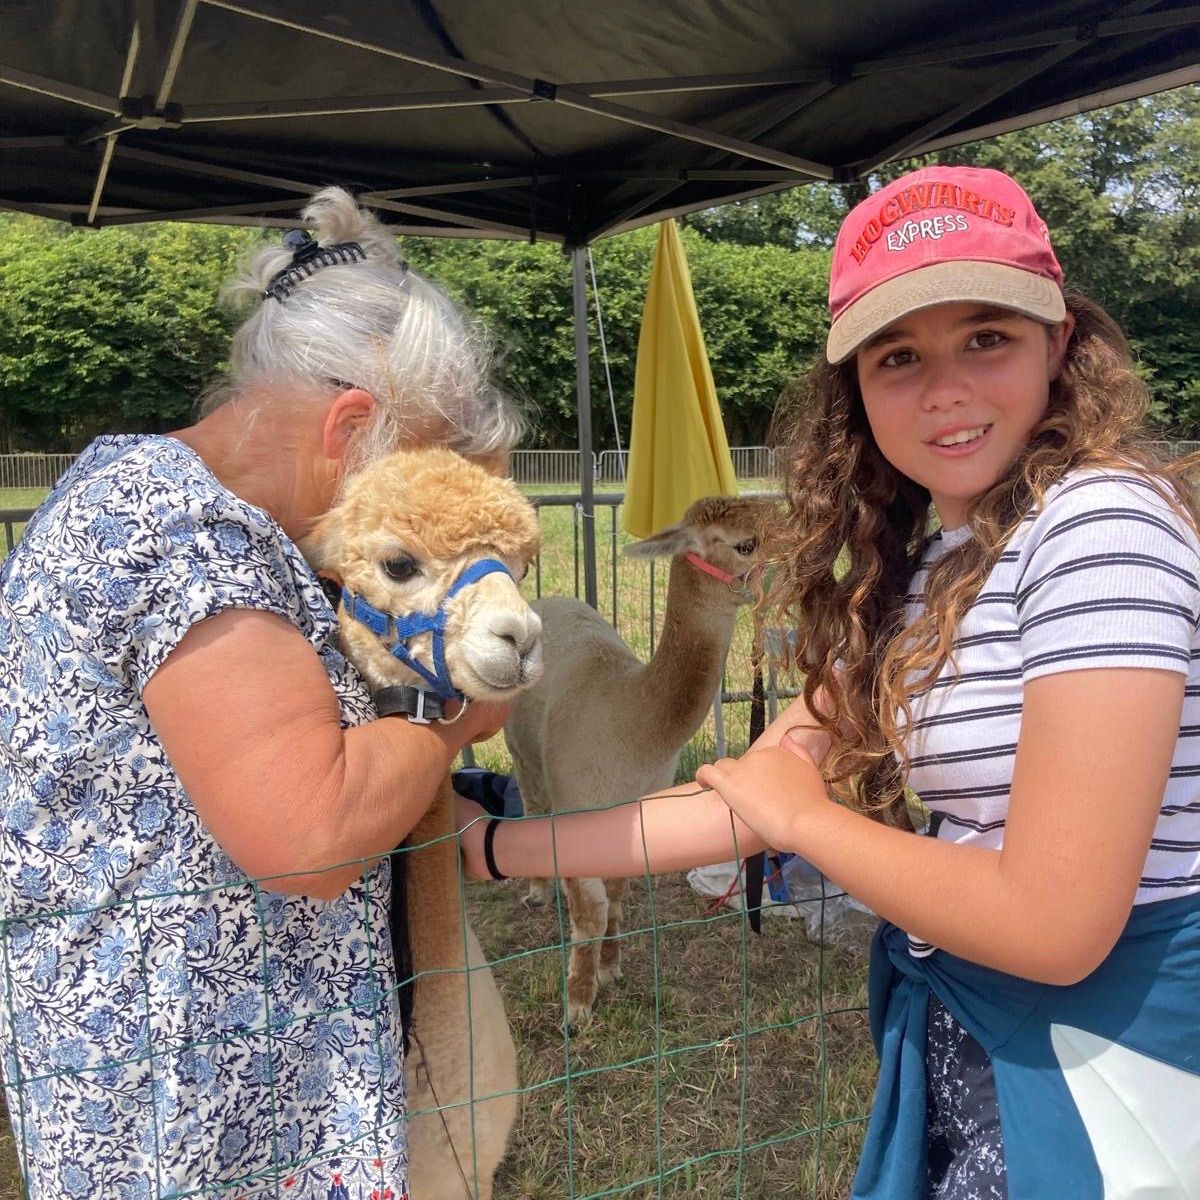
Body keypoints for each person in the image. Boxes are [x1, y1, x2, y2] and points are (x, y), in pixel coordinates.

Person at [460, 165, 1200, 1199]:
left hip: (1112, 1067)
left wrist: (809, 824)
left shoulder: (1099, 529)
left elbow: (1055, 922)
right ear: (854, 387)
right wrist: (484, 848)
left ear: (1060, 346)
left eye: (987, 336)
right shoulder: (933, 572)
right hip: (988, 1039)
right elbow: (753, 789)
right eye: (899, 355)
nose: (945, 388)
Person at [0, 189, 522, 1199]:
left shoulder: (167, 505)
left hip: (202, 1077)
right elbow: (309, 832)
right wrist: (456, 717)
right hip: (199, 1118)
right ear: (351, 425)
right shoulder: (188, 537)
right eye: (417, 475)